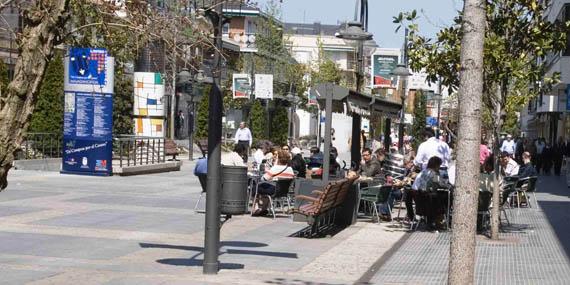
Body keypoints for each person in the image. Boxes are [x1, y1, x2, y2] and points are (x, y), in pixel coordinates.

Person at [411, 156, 452, 231]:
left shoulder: (423, 171)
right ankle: (439, 220)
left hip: (419, 200)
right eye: (439, 165)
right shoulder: (433, 173)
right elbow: (441, 184)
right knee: (444, 200)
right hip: (427, 203)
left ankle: (434, 221)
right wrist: (451, 186)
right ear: (436, 165)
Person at [252, 150, 295, 216]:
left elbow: (263, 178)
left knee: (255, 187)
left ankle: (256, 207)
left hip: (274, 190)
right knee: (265, 187)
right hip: (284, 192)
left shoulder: (275, 168)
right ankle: (263, 209)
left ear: (279, 159)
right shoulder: (290, 169)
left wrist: (272, 169)